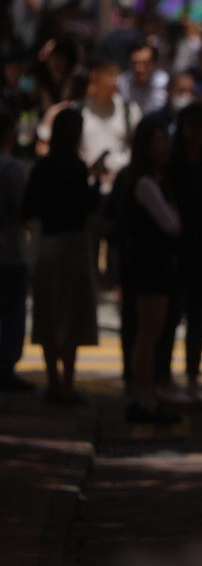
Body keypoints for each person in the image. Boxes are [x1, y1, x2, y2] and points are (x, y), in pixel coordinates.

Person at [22, 107, 101, 404]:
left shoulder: (42, 167)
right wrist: (95, 179)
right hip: (73, 245)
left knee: (48, 314)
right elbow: (90, 205)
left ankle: (53, 382)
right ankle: (67, 383)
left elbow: (28, 209)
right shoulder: (76, 167)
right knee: (71, 315)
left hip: (46, 244)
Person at [120, 115, 182, 424]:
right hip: (150, 266)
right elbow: (171, 224)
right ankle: (143, 399)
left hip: (152, 265)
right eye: (159, 141)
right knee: (147, 335)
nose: (165, 146)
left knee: (148, 334)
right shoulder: (146, 182)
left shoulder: (153, 179)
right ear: (145, 146)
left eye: (165, 140)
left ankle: (144, 396)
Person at [166, 102, 202, 398]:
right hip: (175, 246)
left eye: (201, 127)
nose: (196, 133)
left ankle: (193, 375)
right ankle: (163, 375)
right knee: (170, 315)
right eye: (191, 126)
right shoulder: (171, 163)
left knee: (197, 316)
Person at [0, 110, 32, 392]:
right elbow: (25, 210)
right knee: (11, 313)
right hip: (10, 250)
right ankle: (6, 368)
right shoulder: (12, 168)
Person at [118, 43, 169, 115]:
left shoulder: (166, 83)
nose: (139, 69)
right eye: (134, 63)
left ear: (154, 63)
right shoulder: (122, 83)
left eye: (145, 63)